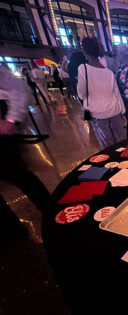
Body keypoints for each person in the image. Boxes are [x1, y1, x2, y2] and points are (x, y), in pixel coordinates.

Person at [0, 65, 52, 239]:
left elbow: (17, 90)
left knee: (20, 175)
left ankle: (50, 211)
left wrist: (11, 120)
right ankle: (9, 229)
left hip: (2, 137)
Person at [77, 37, 126, 150]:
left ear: (85, 52)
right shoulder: (108, 72)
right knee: (121, 143)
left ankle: (112, 166)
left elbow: (81, 94)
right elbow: (117, 94)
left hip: (97, 113)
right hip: (115, 110)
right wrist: (123, 112)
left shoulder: (83, 69)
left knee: (107, 147)